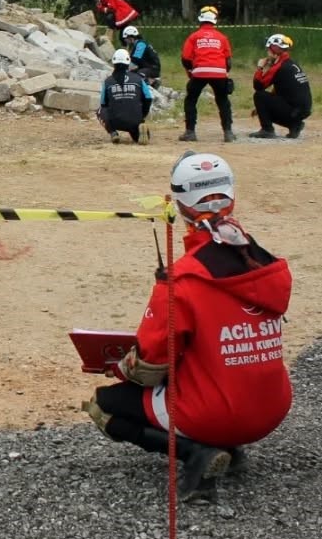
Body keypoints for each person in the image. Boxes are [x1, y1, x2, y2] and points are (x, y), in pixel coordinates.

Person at [82, 151, 294, 500]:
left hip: (218, 411)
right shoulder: (268, 266)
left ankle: (198, 453)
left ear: (179, 205)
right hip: (273, 407)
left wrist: (119, 368)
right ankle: (232, 450)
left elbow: (150, 363)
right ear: (233, 198)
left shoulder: (181, 282)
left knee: (104, 404)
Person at [179, 7, 235, 143]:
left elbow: (186, 58)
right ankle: (228, 133)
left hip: (199, 72)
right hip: (219, 72)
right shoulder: (222, 37)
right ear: (214, 21)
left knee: (191, 99)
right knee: (223, 101)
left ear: (200, 21)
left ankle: (190, 132)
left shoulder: (194, 36)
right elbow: (228, 60)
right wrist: (224, 73)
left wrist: (191, 72)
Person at [248, 34, 312, 140]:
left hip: (294, 110)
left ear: (274, 49)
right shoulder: (291, 63)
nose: (267, 52)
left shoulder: (279, 66)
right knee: (265, 99)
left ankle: (267, 130)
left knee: (259, 96)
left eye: (268, 49)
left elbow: (258, 86)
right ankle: (294, 126)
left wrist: (260, 67)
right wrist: (261, 109)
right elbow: (281, 89)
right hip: (303, 110)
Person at [99, 49, 154, 144]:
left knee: (100, 110)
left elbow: (103, 103)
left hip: (115, 121)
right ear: (128, 63)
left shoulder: (108, 81)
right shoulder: (138, 79)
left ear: (113, 63)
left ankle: (113, 133)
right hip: (135, 120)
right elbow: (148, 98)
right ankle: (141, 128)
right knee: (136, 133)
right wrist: (142, 115)